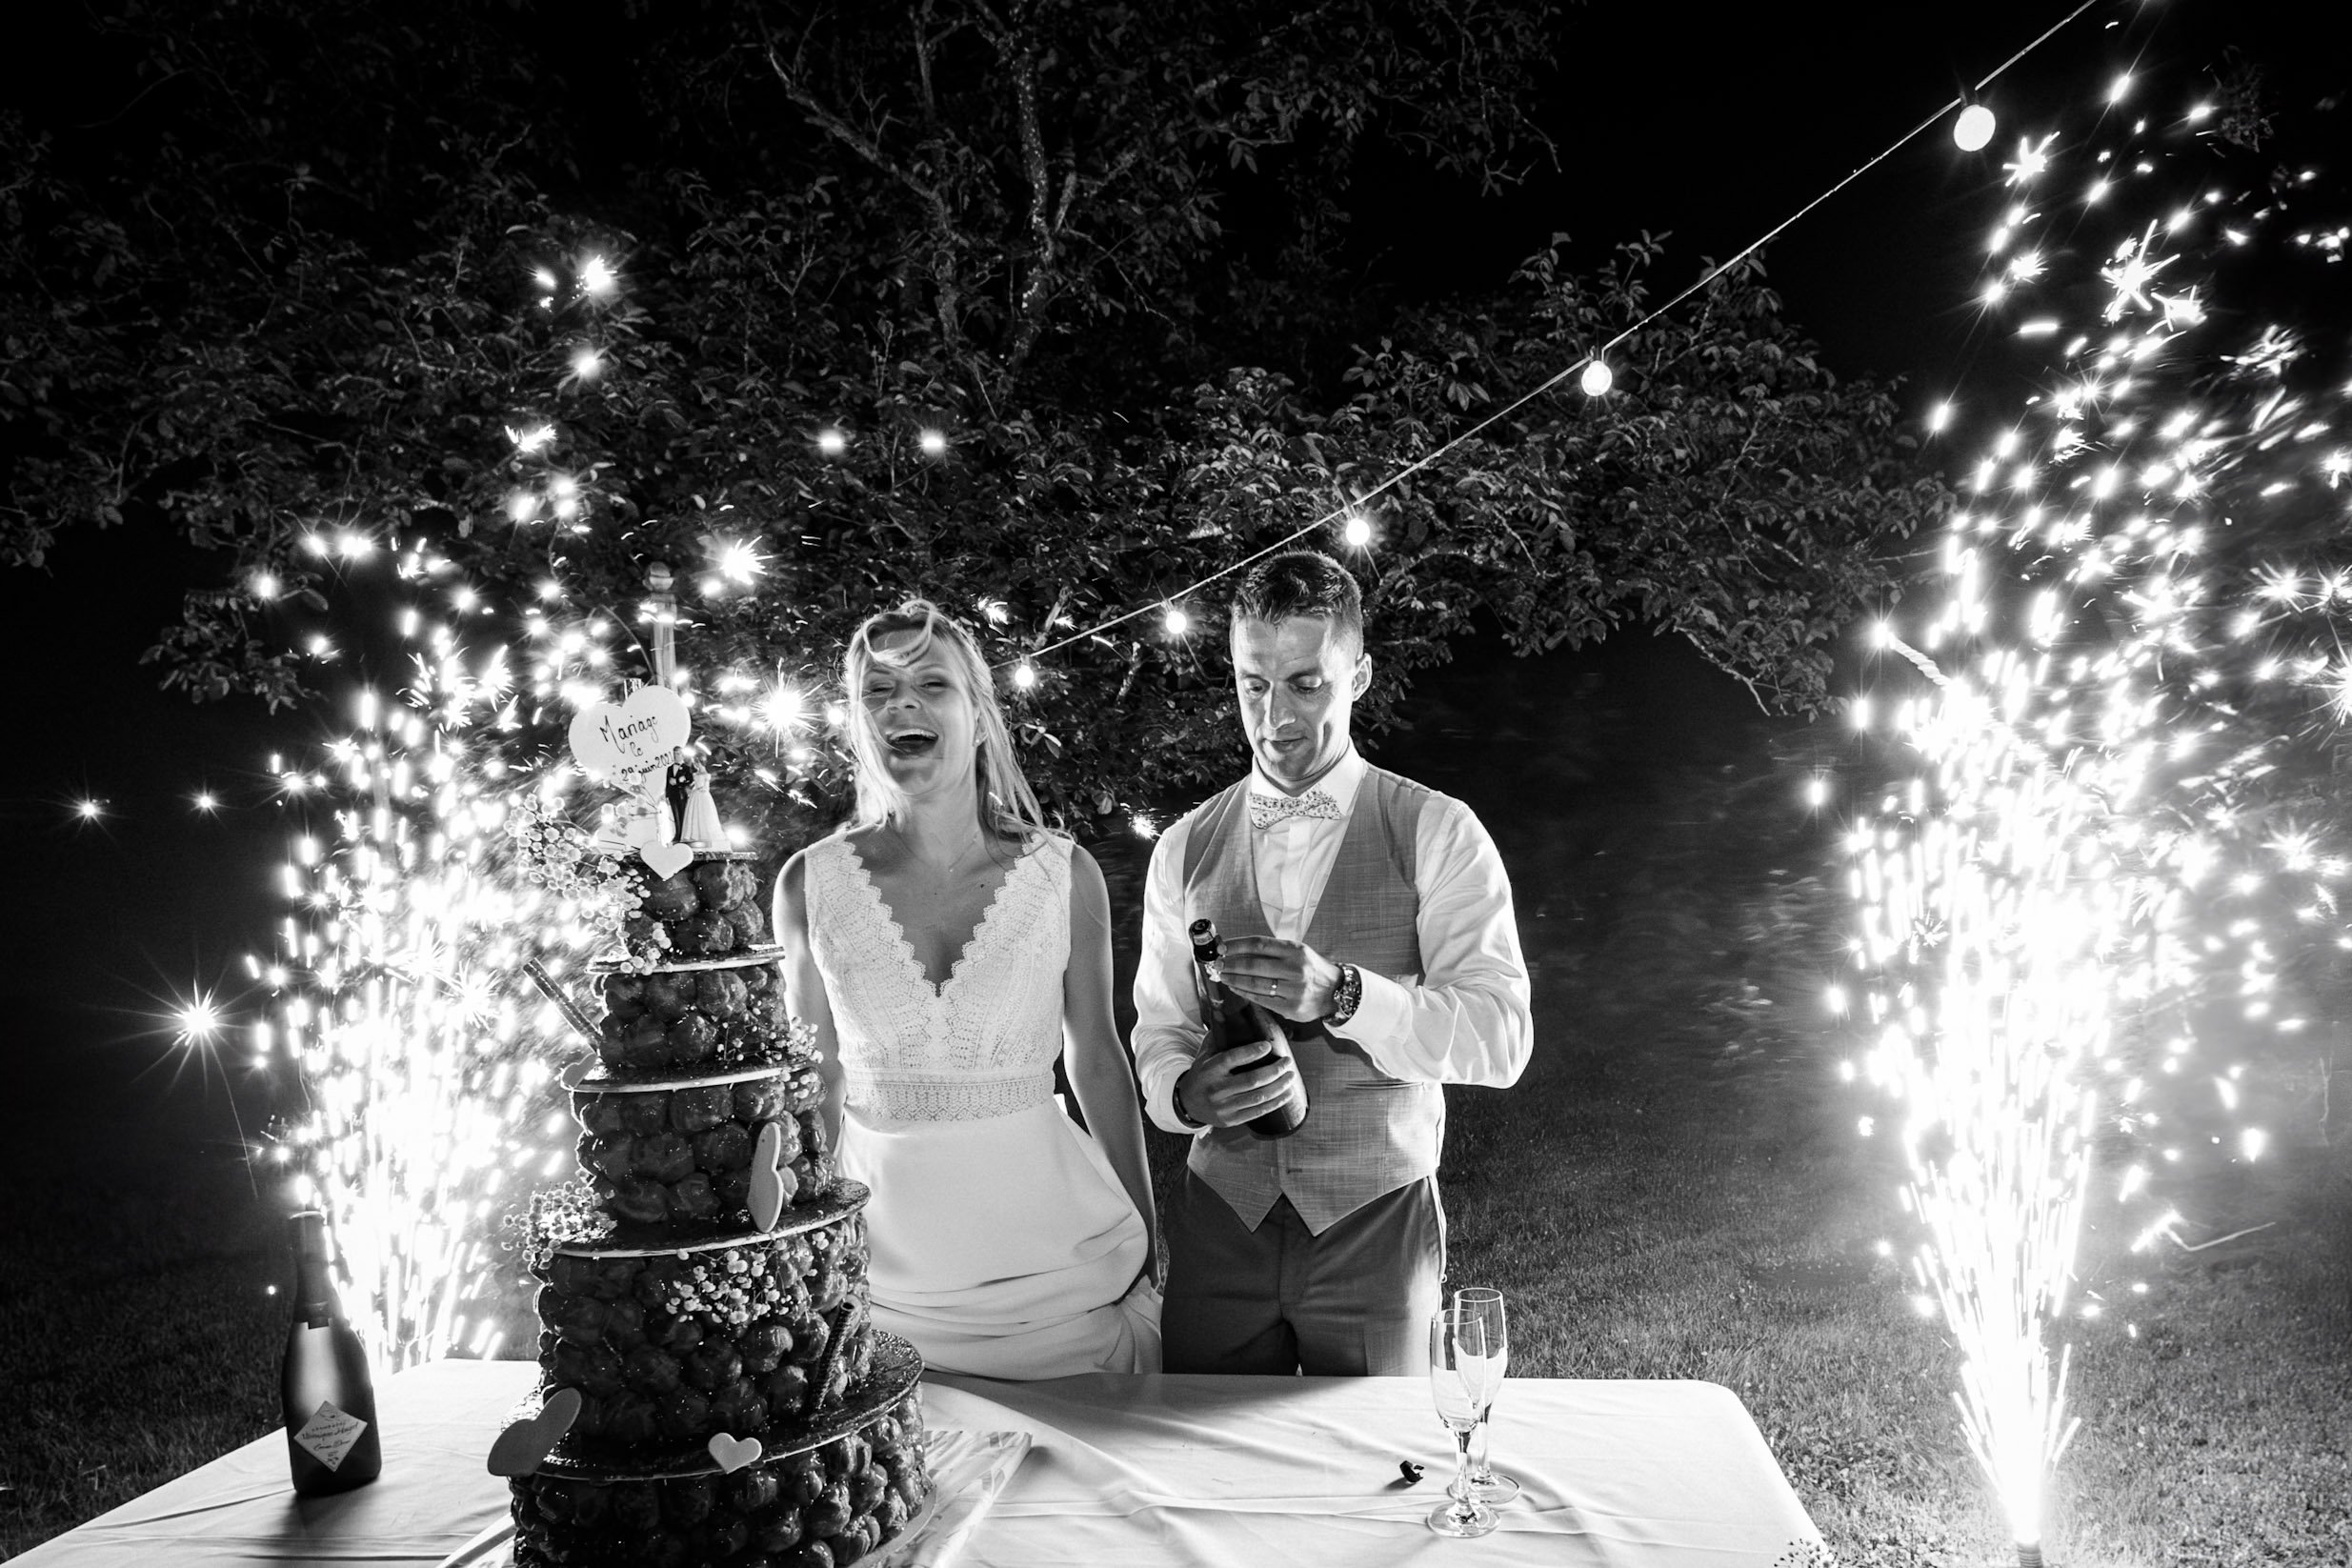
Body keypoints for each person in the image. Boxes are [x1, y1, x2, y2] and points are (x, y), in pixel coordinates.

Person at [1133, 551, 1532, 1376]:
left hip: (1375, 1223)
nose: (1273, 716)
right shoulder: (1182, 846)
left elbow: (1500, 1038)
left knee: (1379, 1480)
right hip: (1220, 1222)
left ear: (1359, 676)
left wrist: (1347, 995)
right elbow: (1160, 1029)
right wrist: (1181, 1092)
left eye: (1305, 683)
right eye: (1252, 684)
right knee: (1208, 1471)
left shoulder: (1436, 830)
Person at [774, 599, 1161, 1377]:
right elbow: (812, 1084)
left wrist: (1151, 1231)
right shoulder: (807, 884)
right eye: (877, 691)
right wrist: (803, 1247)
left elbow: (1096, 1060)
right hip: (884, 1279)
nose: (902, 705)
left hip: (1059, 1274)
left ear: (979, 716)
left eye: (930, 684)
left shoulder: (1065, 874)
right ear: (857, 723)